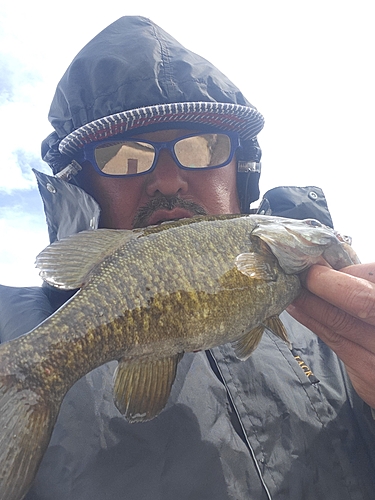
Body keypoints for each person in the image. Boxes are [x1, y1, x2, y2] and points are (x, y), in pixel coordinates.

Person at [1, 16, 375, 500]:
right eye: (124, 156)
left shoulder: (344, 340)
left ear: (240, 172)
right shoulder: (11, 326)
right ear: (82, 184)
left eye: (202, 146)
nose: (169, 178)